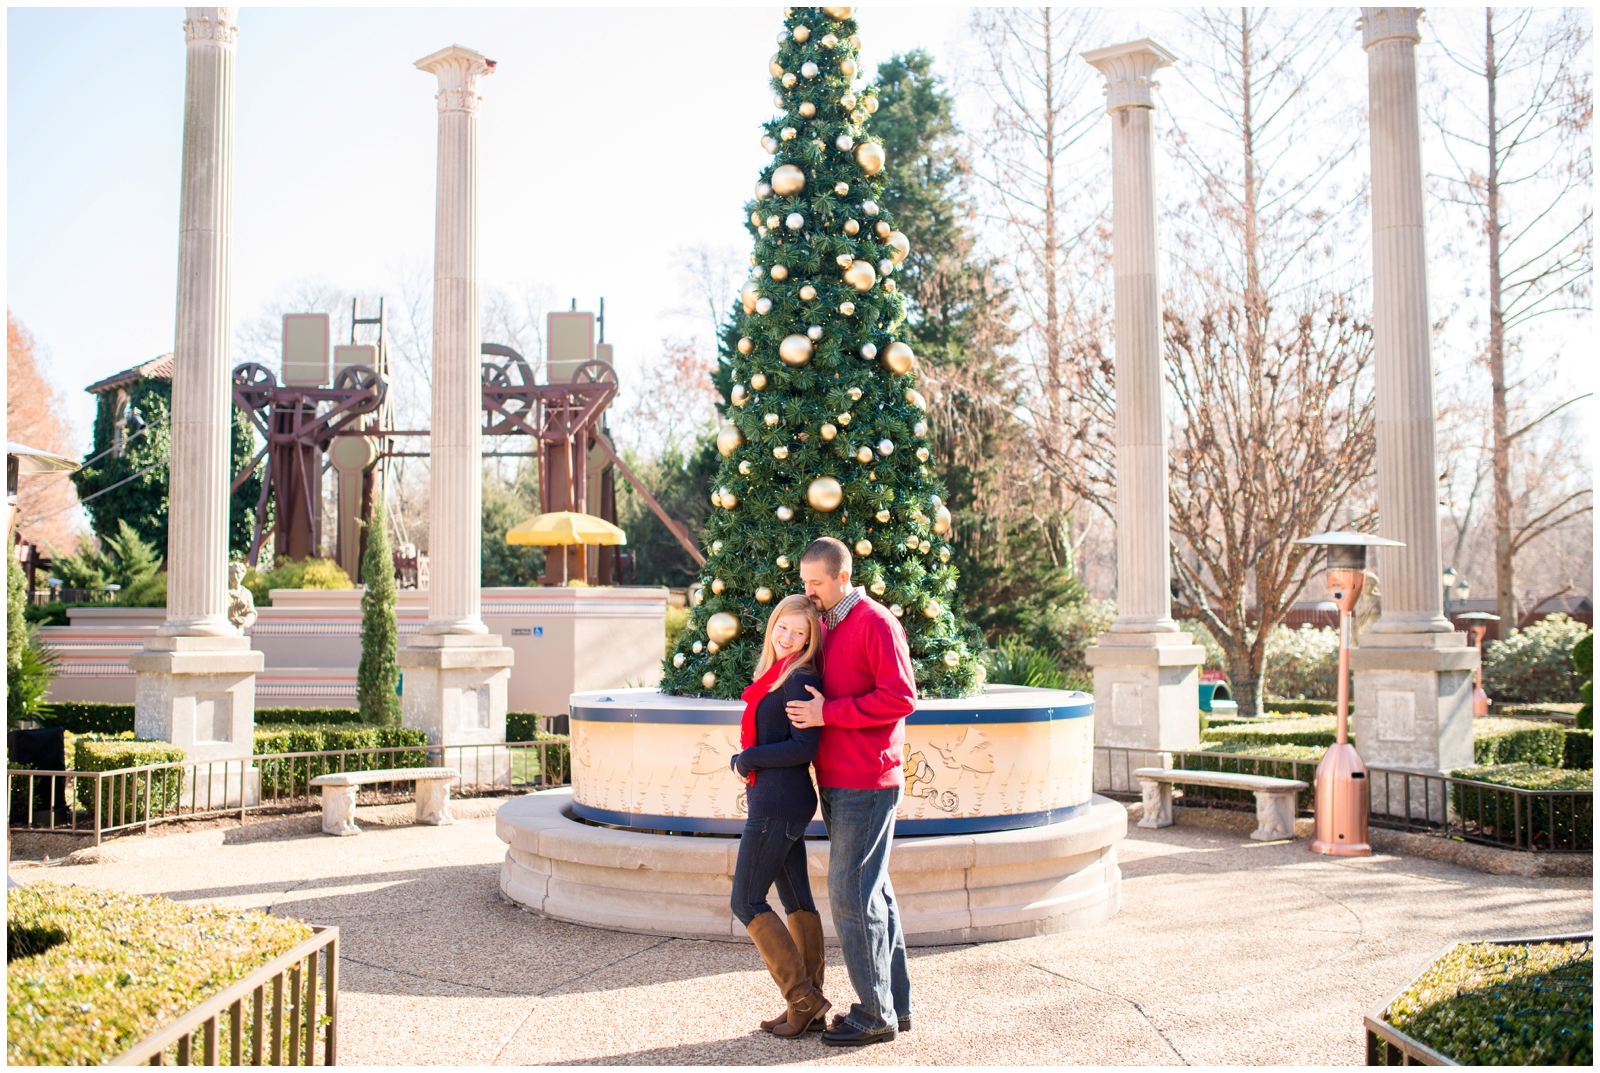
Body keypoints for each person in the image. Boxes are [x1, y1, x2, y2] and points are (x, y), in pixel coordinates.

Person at [787, 536, 916, 1047]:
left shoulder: (876, 621)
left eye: (815, 583)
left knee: (851, 895)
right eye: (804, 583)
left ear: (843, 577)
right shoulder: (827, 626)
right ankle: (893, 1006)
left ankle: (873, 1015)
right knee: (875, 893)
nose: (808, 591)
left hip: (868, 779)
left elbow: (902, 697)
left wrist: (828, 714)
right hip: (839, 778)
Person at [728, 594, 831, 1038]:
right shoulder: (779, 673)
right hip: (779, 800)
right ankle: (809, 1007)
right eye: (782, 628)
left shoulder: (798, 678)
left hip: (777, 803)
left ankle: (802, 997)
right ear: (772, 626)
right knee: (797, 901)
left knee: (746, 900)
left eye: (799, 633)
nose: (788, 638)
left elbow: (803, 748)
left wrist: (749, 758)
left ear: (810, 639)